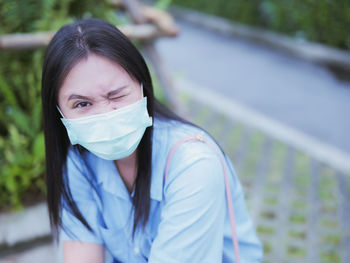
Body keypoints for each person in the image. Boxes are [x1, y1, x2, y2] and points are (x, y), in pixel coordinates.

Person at [41, 18, 263, 263]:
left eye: (116, 95)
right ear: (59, 112)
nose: (105, 115)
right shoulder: (79, 162)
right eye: (82, 104)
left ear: (142, 87)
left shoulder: (194, 165)